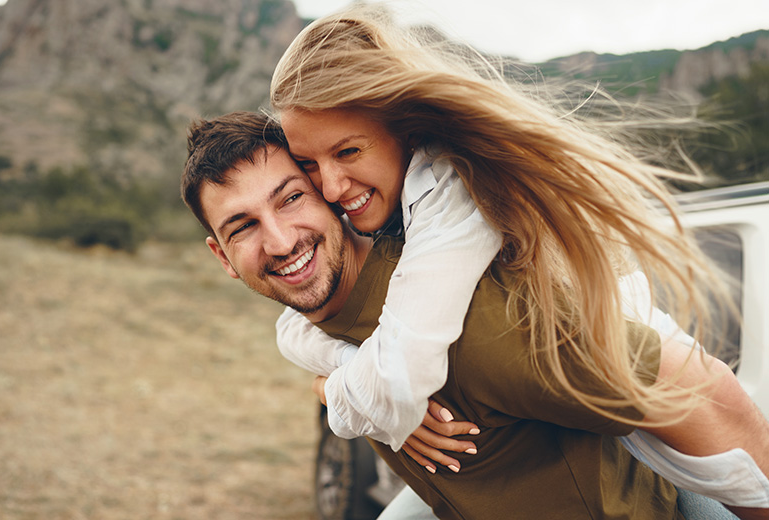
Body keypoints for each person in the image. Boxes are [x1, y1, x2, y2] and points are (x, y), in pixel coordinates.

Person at [180, 112, 769, 519]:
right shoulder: (334, 329)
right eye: (243, 225)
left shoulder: (470, 326)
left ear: (326, 190)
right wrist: (347, 391)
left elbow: (695, 385)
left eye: (290, 198)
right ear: (222, 257)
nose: (280, 241)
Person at [267, 2, 762, 483]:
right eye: (308, 164)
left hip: (689, 404)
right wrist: (344, 380)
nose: (329, 187)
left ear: (404, 128)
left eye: (348, 151)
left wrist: (361, 398)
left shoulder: (450, 191)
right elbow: (294, 331)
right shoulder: (378, 205)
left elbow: (398, 386)